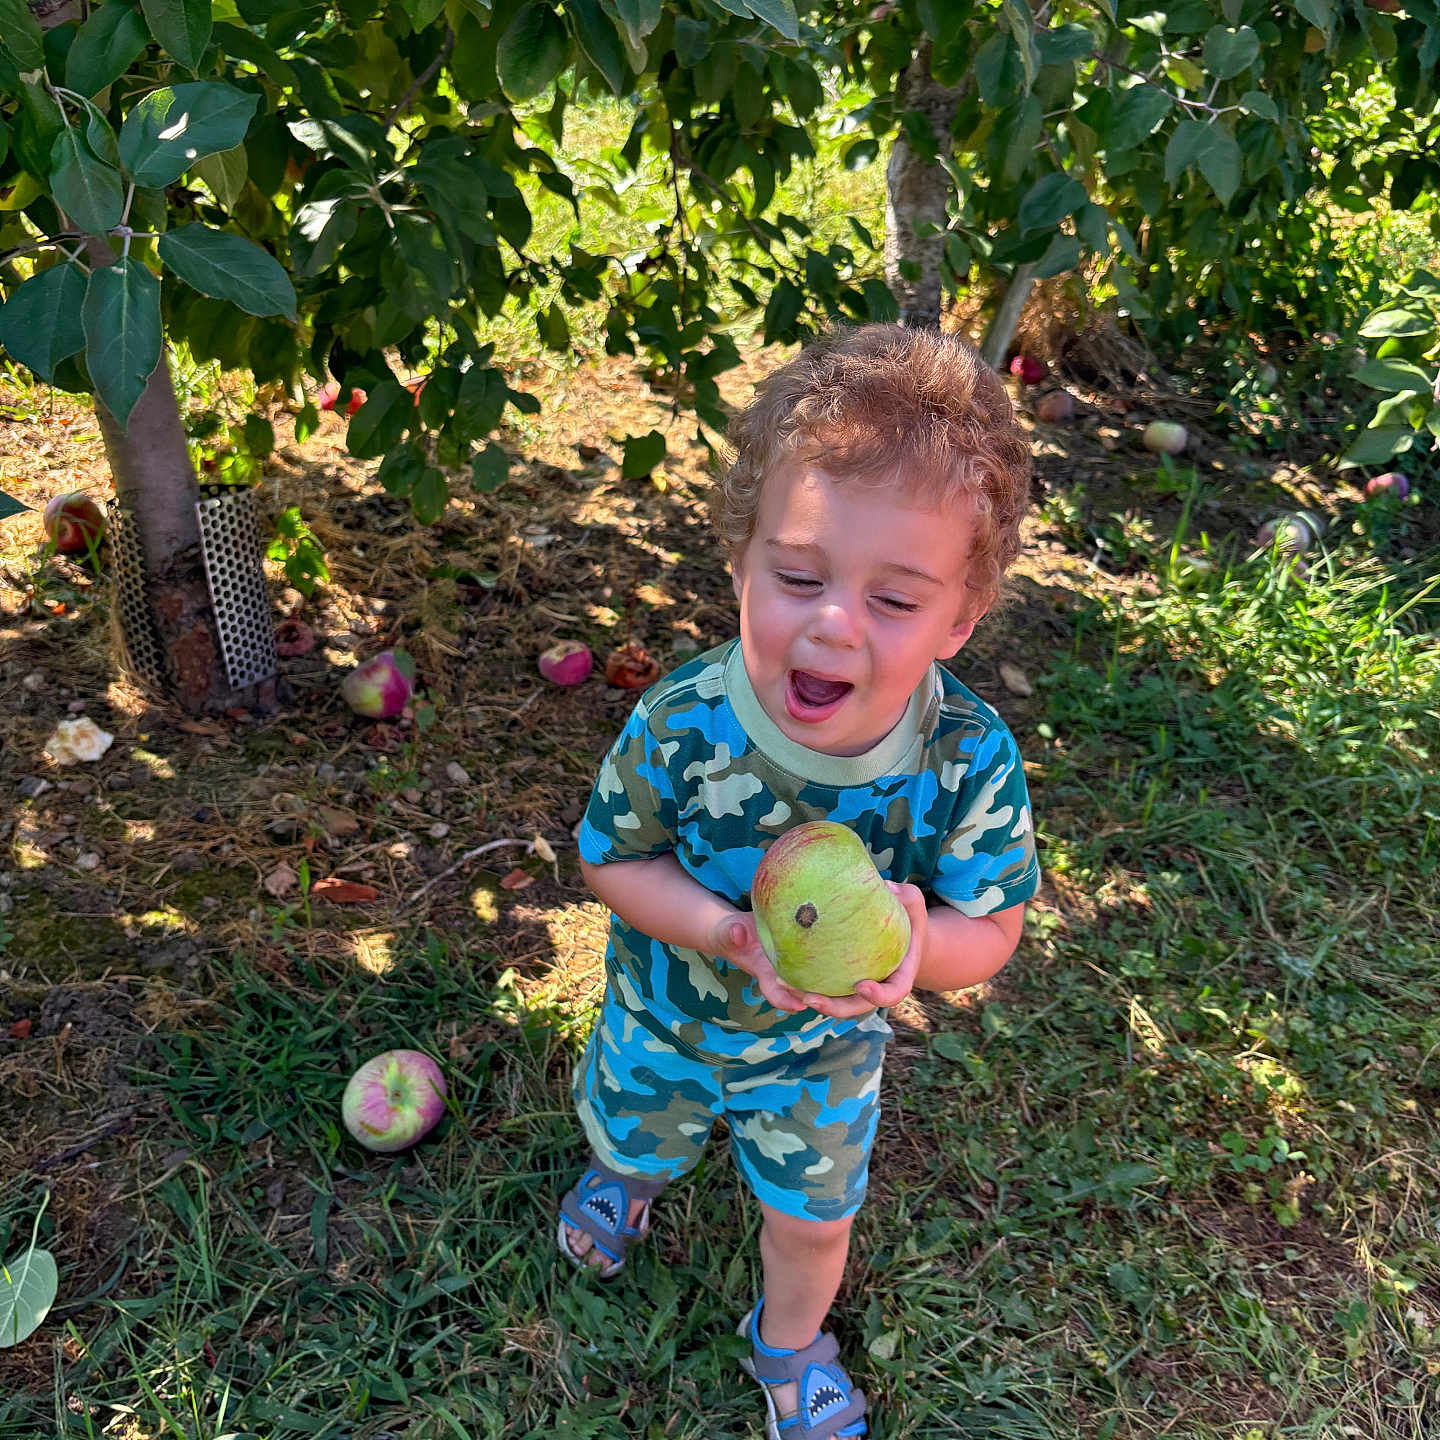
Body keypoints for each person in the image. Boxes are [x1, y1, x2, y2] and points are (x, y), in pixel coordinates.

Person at [557, 323, 1040, 1439]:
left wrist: (925, 953)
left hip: (821, 1056)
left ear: (960, 621)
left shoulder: (965, 757)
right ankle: (626, 1182)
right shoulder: (683, 722)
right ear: (740, 563)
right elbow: (611, 856)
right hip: (666, 1015)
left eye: (895, 599)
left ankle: (788, 1345)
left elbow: (995, 924)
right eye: (798, 576)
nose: (832, 623)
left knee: (815, 1221)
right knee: (634, 1132)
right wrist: (725, 935)